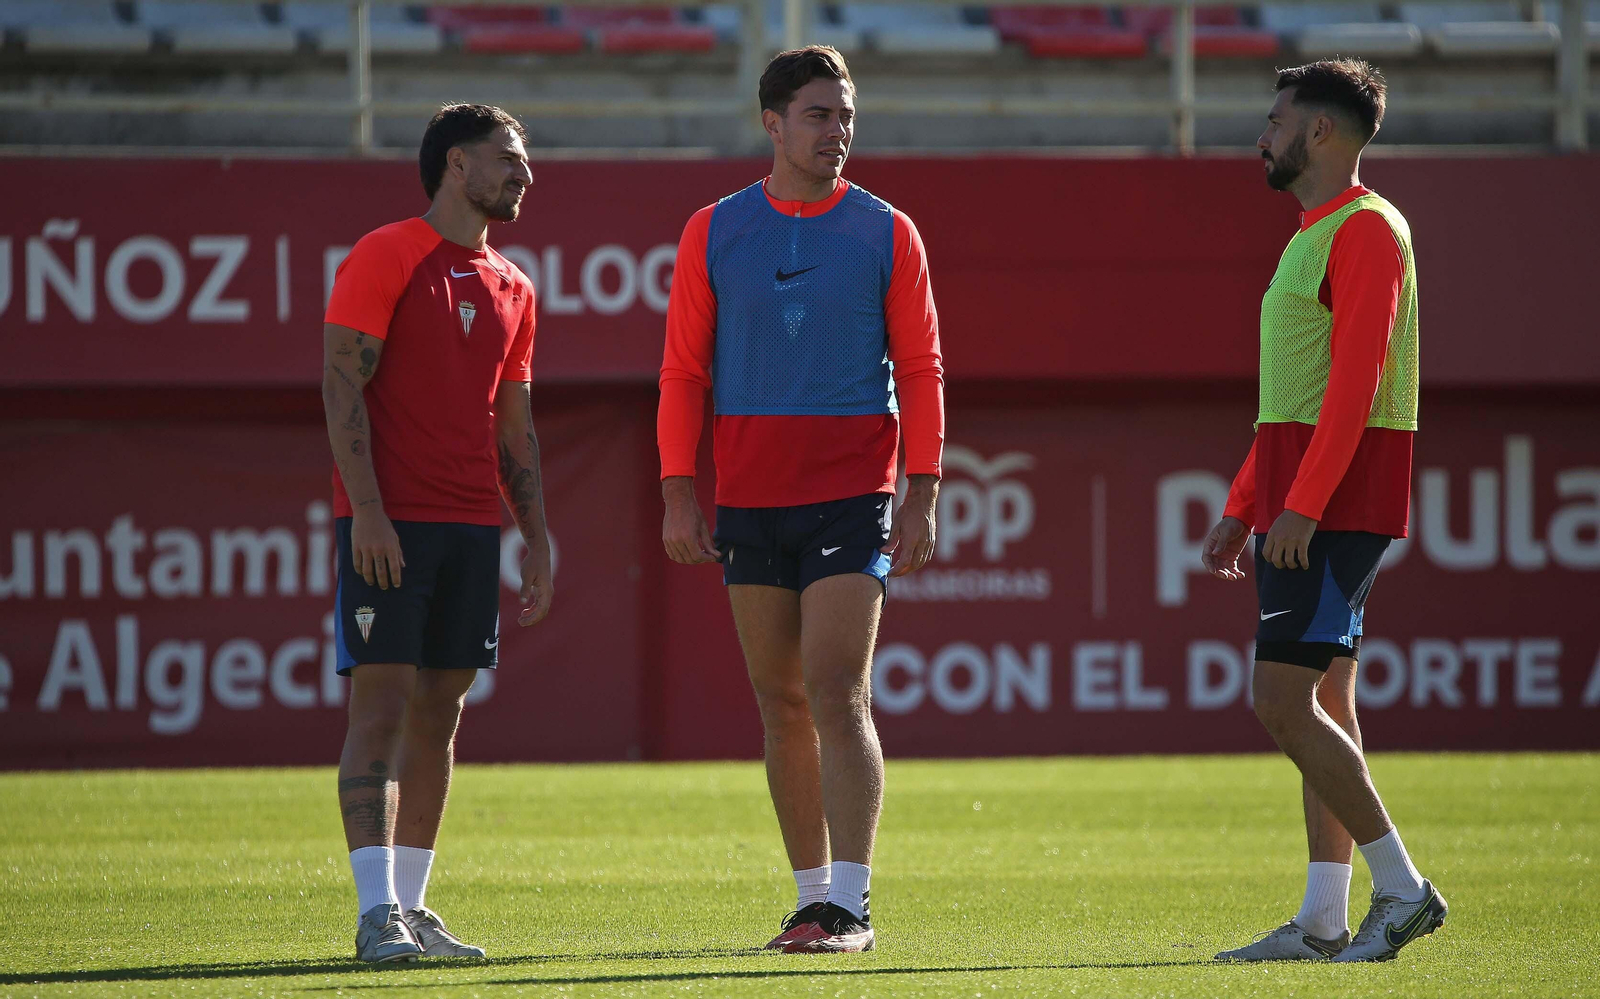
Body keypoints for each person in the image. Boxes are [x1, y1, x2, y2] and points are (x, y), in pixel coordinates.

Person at [657, 46, 944, 954]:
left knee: (836, 689)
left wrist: (923, 490)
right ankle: (811, 899)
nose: (839, 132)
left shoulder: (889, 230)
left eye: (847, 115)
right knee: (778, 700)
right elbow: (682, 372)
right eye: (820, 115)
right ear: (773, 124)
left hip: (852, 491)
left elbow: (925, 370)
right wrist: (676, 492)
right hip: (748, 496)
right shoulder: (713, 229)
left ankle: (853, 904)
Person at [1202, 60, 1446, 963]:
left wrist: (1299, 504)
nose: (1261, 135)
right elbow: (1291, 397)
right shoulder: (1312, 234)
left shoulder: (1369, 230)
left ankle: (1403, 888)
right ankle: (1321, 919)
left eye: (1275, 121)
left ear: (1320, 134)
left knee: (1279, 697)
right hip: (1304, 499)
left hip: (1334, 505)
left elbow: (1356, 383)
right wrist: (1246, 502)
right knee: (1325, 702)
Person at [321, 103, 553, 963]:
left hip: (469, 526)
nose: (525, 173)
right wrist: (369, 510)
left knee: (441, 714)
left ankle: (413, 910)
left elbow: (514, 423)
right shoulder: (386, 252)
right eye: (510, 158)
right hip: (391, 522)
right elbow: (342, 386)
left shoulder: (516, 286)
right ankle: (374, 912)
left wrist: (535, 531)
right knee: (378, 709)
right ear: (457, 165)